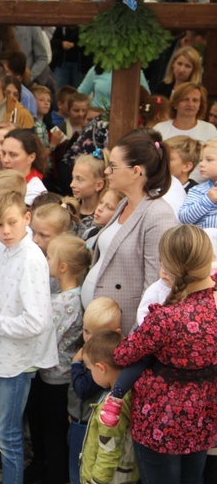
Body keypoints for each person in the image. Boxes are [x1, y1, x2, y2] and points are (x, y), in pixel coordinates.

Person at [112, 225, 217, 484]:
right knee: (193, 483)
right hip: (204, 415)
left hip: (160, 421)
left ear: (168, 267)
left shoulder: (165, 318)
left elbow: (123, 354)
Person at [0, 188, 57, 484]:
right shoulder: (1, 248)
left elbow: (37, 322)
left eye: (11, 222)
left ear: (26, 218)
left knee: (7, 435)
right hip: (0, 352)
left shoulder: (32, 259)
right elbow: (3, 294)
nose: (5, 231)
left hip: (19, 359)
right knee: (4, 433)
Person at [80, 129, 178, 332]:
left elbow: (156, 285)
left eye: (113, 166)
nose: (107, 172)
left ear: (136, 171)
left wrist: (134, 340)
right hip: (100, 323)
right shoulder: (124, 203)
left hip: (124, 329)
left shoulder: (158, 215)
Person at [29, 234, 88, 484]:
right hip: (60, 375)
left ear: (62, 267)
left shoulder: (61, 303)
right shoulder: (74, 297)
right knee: (53, 431)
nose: (45, 260)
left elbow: (45, 336)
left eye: (49, 256)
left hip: (55, 377)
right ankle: (56, 479)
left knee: (53, 434)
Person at [67, 297, 121, 484]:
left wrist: (75, 364)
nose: (88, 338)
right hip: (78, 419)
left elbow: (81, 389)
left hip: (87, 425)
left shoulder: (101, 361)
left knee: (80, 472)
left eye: (94, 334)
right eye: (86, 331)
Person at [80, 330, 140, 484]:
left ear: (101, 368)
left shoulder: (113, 404)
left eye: (90, 369)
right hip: (124, 477)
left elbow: (109, 447)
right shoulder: (130, 393)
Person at [153, 82, 217, 145]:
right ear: (175, 103)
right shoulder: (160, 129)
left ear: (200, 105)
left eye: (195, 100)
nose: (190, 104)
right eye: (185, 99)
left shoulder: (209, 130)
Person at [0, 129, 48, 206]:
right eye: (3, 153)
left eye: (13, 155)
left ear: (31, 157)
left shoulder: (35, 191)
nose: (5, 160)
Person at [177, 137, 217, 227]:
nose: (201, 164)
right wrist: (208, 199)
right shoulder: (197, 190)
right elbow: (184, 218)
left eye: (209, 160)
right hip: (204, 240)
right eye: (201, 160)